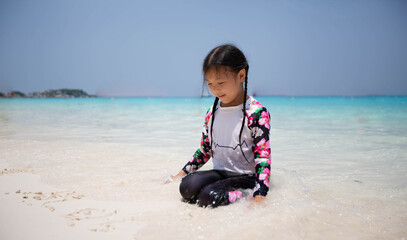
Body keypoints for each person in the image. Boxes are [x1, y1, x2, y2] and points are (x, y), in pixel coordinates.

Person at [167, 44, 271, 208]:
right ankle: (216, 191)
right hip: (221, 174)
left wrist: (260, 195)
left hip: (246, 177)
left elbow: (263, 158)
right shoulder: (212, 113)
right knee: (187, 186)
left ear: (241, 75)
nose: (215, 89)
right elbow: (205, 150)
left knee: (208, 197)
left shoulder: (256, 113)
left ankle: (247, 194)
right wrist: (179, 175)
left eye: (221, 82)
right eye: (210, 84)